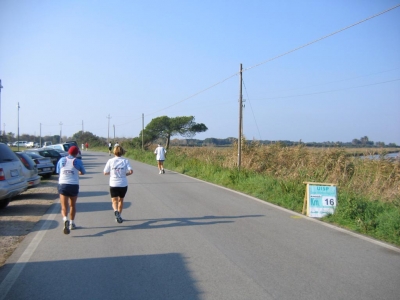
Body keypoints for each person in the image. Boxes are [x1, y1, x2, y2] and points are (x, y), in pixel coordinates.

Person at [56, 145, 86, 234]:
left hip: (63, 184)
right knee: (72, 205)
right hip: (73, 185)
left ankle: (65, 219)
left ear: (68, 152)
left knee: (64, 207)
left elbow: (58, 171)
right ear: (76, 153)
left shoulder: (61, 160)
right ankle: (72, 223)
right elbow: (83, 172)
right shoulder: (78, 161)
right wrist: (77, 172)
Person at [103, 145, 133, 223]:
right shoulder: (125, 161)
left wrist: (112, 173)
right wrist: (125, 174)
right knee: (121, 200)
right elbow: (131, 171)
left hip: (113, 183)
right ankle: (119, 215)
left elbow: (105, 172)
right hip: (123, 183)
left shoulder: (110, 161)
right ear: (122, 152)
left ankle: (116, 211)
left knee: (114, 201)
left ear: (114, 152)